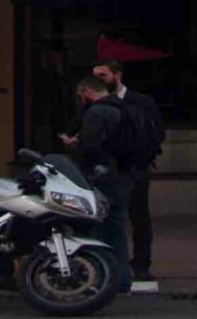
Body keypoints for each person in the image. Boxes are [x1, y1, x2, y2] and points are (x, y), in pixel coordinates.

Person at [60, 74, 133, 290]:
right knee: (117, 227)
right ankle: (121, 279)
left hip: (102, 177)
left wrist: (73, 144)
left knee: (93, 227)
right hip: (124, 175)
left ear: (87, 92)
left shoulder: (96, 112)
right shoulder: (124, 108)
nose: (79, 100)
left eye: (79, 96)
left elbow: (89, 149)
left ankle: (98, 276)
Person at [93, 59, 164, 280]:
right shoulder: (93, 102)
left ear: (118, 75)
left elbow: (157, 133)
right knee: (104, 217)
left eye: (103, 75)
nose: (99, 81)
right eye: (95, 76)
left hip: (135, 168)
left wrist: (141, 156)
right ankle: (108, 264)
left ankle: (141, 264)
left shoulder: (142, 102)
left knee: (138, 216)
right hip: (105, 169)